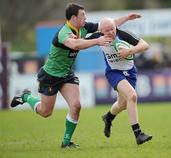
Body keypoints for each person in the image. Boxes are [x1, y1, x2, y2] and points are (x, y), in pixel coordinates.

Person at [10, 3, 142, 148]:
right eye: (82, 15)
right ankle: (25, 96)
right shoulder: (63, 33)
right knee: (45, 112)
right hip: (50, 75)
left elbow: (108, 26)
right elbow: (75, 45)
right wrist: (97, 41)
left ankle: (66, 143)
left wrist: (127, 18)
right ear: (73, 17)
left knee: (76, 106)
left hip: (66, 74)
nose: (85, 18)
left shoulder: (84, 27)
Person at [88, 17, 152, 145]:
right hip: (114, 72)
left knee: (122, 104)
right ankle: (138, 134)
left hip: (130, 72)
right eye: (107, 30)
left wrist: (130, 51)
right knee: (132, 96)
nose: (111, 32)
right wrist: (93, 41)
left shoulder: (123, 34)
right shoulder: (98, 37)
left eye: (112, 29)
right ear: (101, 31)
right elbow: (79, 44)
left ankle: (108, 117)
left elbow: (145, 45)